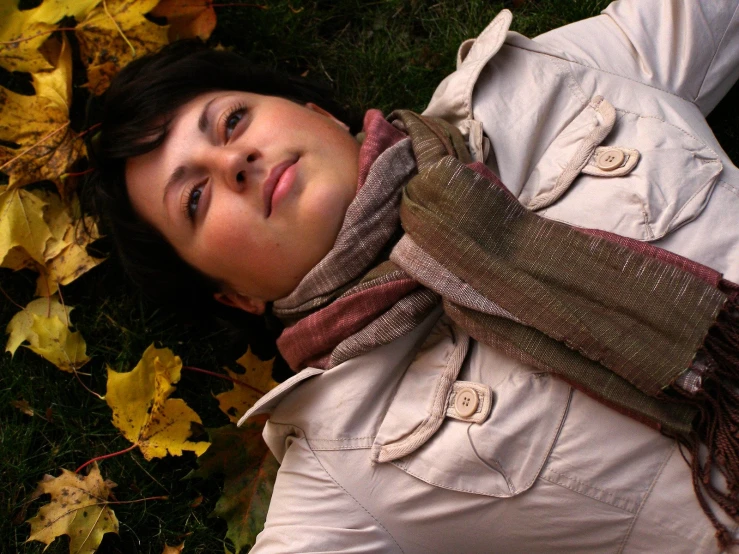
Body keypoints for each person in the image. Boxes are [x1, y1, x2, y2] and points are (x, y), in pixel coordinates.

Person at [88, 1, 739, 552]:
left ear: (314, 109)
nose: (233, 160)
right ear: (235, 296)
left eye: (232, 121)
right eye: (195, 199)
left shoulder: (523, 87)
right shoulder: (341, 466)